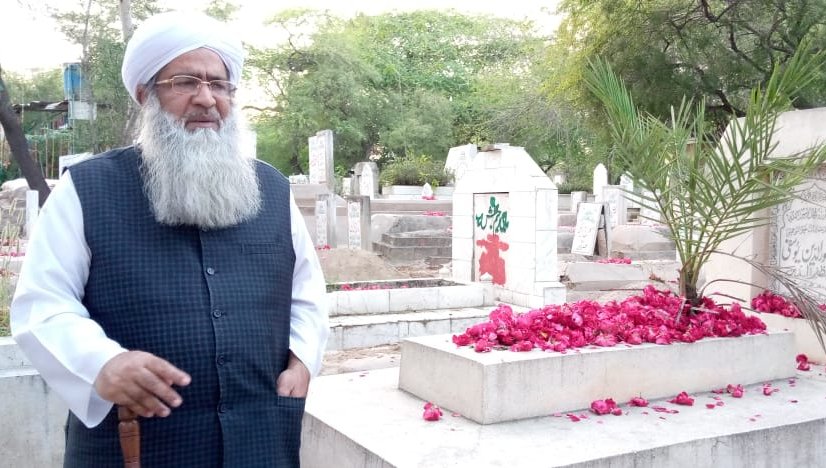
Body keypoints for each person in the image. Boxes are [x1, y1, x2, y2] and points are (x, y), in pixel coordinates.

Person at [11, 11, 329, 468]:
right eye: (186, 82)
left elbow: (305, 291)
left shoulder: (273, 189)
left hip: (260, 436)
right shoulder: (86, 190)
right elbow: (42, 303)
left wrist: (302, 361)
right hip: (134, 444)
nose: (207, 99)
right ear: (146, 95)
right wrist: (100, 363)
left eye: (220, 85)